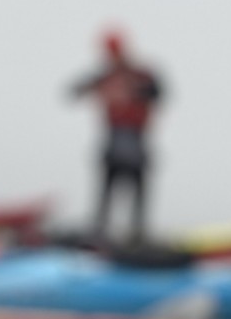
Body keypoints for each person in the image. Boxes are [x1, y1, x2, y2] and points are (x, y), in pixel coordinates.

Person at [68, 30, 166, 243]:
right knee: (106, 190)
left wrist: (133, 90)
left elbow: (158, 92)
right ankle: (100, 233)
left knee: (137, 191)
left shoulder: (141, 74)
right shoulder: (104, 76)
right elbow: (73, 91)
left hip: (135, 138)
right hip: (113, 139)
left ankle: (138, 235)